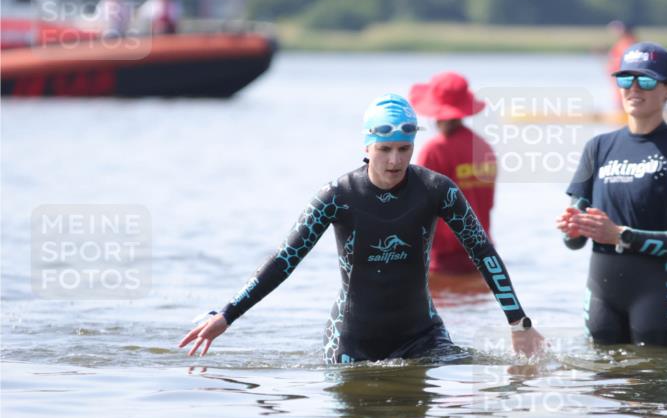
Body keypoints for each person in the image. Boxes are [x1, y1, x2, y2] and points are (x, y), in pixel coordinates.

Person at [180, 94, 544, 364]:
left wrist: (519, 324)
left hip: (423, 337)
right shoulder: (337, 196)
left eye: (404, 149)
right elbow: (285, 259)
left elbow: (483, 252)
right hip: (352, 343)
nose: (395, 161)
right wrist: (227, 315)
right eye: (385, 149)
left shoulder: (437, 190)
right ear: (367, 146)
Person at [556, 42, 667, 348]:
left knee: (655, 391)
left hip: (660, 299)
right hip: (602, 295)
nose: (634, 89)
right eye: (626, 80)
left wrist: (619, 235)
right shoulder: (597, 148)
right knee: (599, 390)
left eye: (647, 80)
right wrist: (572, 229)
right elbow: (573, 241)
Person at [409, 72, 496, 274]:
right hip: (483, 254)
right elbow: (487, 203)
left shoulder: (435, 150)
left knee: (447, 304)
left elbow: (419, 205)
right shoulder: (483, 146)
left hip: (444, 260)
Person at [606, 21, 637, 110]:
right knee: (619, 97)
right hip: (618, 76)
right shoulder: (621, 43)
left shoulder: (630, 43)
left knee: (625, 96)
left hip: (626, 76)